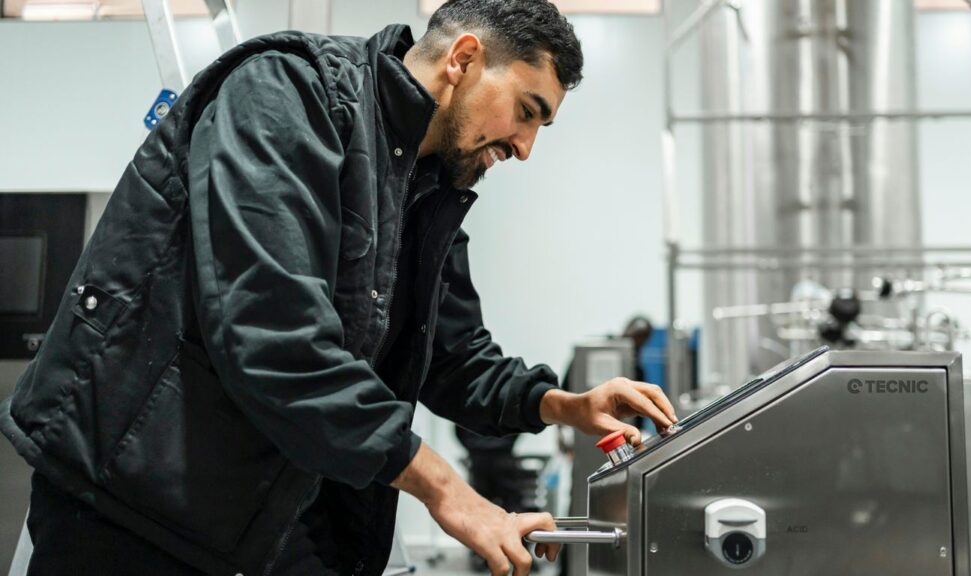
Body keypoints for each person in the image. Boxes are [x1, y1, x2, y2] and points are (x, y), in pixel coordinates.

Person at [0, 1, 677, 575]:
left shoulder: (430, 183)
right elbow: (273, 336)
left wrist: (561, 404)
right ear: (464, 59)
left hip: (275, 516)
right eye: (527, 112)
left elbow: (449, 355)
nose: (526, 147)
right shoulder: (284, 96)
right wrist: (446, 490)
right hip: (138, 508)